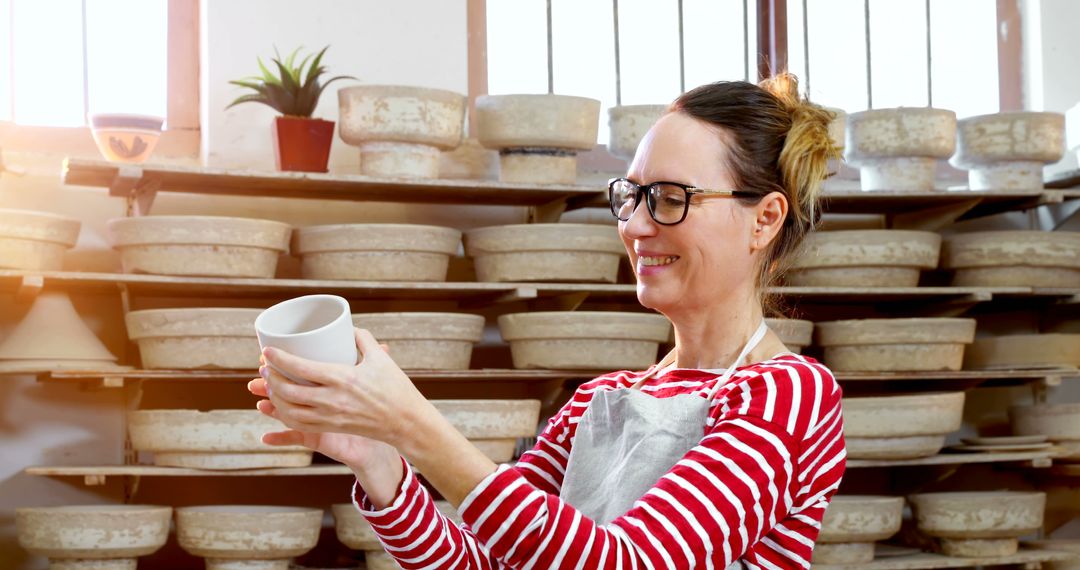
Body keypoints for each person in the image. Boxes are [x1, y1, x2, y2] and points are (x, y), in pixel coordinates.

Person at [248, 73, 846, 569]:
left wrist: (414, 426)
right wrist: (378, 458)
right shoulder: (601, 398)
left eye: (669, 198)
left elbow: (630, 561)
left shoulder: (789, 396)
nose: (635, 226)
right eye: (630, 195)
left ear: (765, 219)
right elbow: (481, 561)